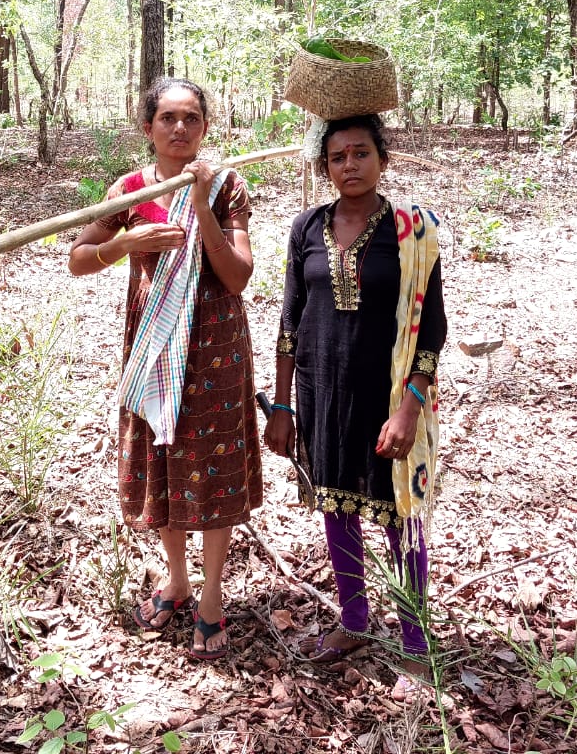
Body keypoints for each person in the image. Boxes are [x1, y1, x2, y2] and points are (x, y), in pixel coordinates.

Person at [68, 77, 262, 661]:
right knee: (165, 458)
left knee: (214, 464)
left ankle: (211, 595)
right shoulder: (128, 191)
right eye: (167, 118)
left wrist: (200, 207)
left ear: (205, 126)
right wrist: (125, 243)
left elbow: (238, 276)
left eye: (191, 118)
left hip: (215, 347)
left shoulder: (226, 186)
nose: (180, 128)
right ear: (148, 126)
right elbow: (78, 259)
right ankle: (176, 578)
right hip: (153, 346)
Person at [263, 113, 447, 679]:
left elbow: (431, 328)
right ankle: (355, 617)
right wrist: (283, 405)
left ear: (383, 159)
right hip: (321, 394)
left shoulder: (412, 232)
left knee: (399, 516)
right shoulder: (306, 228)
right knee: (336, 507)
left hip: (386, 396)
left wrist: (409, 408)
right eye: (338, 157)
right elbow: (290, 321)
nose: (350, 165)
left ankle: (414, 636)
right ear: (325, 167)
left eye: (361, 153)